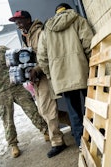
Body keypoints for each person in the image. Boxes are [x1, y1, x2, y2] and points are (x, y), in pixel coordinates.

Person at [0, 28, 48, 158]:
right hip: (0, 92)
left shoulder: (3, 50)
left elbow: (17, 62)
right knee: (7, 120)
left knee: (32, 109)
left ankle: (45, 131)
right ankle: (13, 145)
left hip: (16, 87)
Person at [9, 10, 66, 158]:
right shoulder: (25, 35)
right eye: (16, 22)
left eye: (20, 20)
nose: (18, 24)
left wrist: (36, 69)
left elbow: (47, 55)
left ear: (28, 19)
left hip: (44, 75)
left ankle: (57, 142)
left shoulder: (39, 32)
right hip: (35, 79)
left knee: (47, 110)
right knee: (44, 111)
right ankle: (77, 122)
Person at [37, 3, 94, 148]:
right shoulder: (78, 20)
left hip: (61, 77)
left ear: (56, 13)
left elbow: (42, 58)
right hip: (83, 71)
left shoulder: (46, 30)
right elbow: (89, 44)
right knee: (92, 106)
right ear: (69, 9)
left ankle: (82, 143)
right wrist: (93, 66)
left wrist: (52, 75)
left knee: (74, 112)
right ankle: (97, 136)